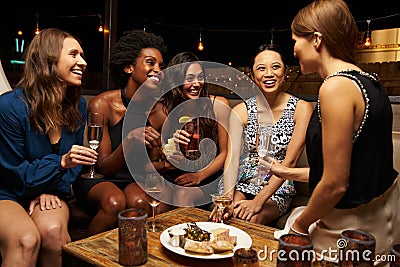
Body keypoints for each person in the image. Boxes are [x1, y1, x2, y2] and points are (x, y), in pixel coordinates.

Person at [270, 0, 400, 263]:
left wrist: (299, 227)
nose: (293, 50)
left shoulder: (335, 88)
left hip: (351, 230)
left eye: (296, 40)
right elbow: (355, 166)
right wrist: (288, 172)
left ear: (316, 39)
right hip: (384, 217)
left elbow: (335, 184)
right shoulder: (371, 81)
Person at [0, 28, 94, 267]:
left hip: (50, 189)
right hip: (8, 192)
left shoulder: (77, 105)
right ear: (48, 59)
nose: (82, 62)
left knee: (53, 233)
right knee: (26, 240)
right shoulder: (10, 107)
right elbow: (13, 173)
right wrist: (59, 164)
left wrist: (52, 182)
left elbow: (73, 167)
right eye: (73, 54)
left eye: (82, 55)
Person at [72, 30, 171, 236]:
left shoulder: (161, 112)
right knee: (114, 202)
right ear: (128, 67)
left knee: (139, 203)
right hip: (99, 178)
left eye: (161, 66)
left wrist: (168, 157)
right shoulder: (103, 104)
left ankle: (130, 256)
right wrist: (130, 140)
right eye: (151, 63)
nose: (158, 70)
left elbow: (152, 165)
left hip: (136, 178)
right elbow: (103, 167)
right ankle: (83, 257)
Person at [210, 43, 313, 225]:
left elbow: (290, 162)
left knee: (251, 219)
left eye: (275, 67)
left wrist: (258, 201)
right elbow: (232, 159)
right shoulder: (241, 111)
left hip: (278, 183)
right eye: (261, 68)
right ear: (252, 75)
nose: (269, 74)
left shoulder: (301, 109)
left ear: (285, 71)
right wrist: (226, 199)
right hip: (244, 178)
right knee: (227, 216)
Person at [158, 51, 230, 207]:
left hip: (208, 175)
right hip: (176, 174)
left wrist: (199, 176)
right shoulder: (166, 109)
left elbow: (225, 153)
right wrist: (170, 149)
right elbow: (163, 154)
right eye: (189, 78)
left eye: (200, 77)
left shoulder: (218, 105)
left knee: (182, 194)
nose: (197, 84)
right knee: (156, 200)